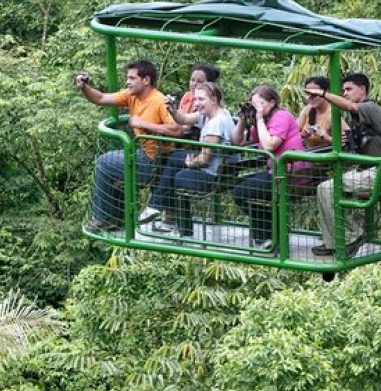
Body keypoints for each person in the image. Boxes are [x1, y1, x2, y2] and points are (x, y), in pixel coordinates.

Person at [77, 60, 182, 231]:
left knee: (104, 162)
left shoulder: (159, 101)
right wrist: (84, 87)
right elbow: (102, 98)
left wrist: (144, 124)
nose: (128, 82)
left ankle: (103, 218)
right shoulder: (132, 95)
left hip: (154, 160)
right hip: (142, 153)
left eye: (132, 78)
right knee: (110, 164)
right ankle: (115, 218)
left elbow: (176, 129)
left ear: (146, 80)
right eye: (128, 78)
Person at [305, 73, 381, 257]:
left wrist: (322, 93)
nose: (345, 93)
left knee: (326, 188)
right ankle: (334, 242)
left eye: (349, 89)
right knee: (327, 187)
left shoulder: (369, 108)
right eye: (343, 90)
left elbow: (349, 105)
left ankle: (352, 236)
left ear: (362, 89)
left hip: (380, 172)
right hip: (371, 170)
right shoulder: (358, 118)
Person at [231, 84, 309, 249]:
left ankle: (268, 234)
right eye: (254, 105)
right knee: (238, 187)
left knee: (242, 191)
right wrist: (242, 120)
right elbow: (238, 141)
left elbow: (270, 144)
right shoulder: (264, 121)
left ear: (272, 102)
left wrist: (258, 119)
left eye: (261, 104)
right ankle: (268, 235)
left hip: (291, 174)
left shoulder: (282, 116)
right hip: (278, 172)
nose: (258, 109)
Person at [154, 81, 235, 236]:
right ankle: (157, 206)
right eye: (195, 99)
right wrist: (172, 110)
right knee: (175, 157)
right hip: (219, 169)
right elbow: (183, 119)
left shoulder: (215, 123)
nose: (197, 103)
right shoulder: (213, 114)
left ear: (214, 100)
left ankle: (183, 229)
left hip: (214, 175)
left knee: (179, 177)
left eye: (201, 99)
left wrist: (191, 163)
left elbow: (205, 159)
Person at [296, 75, 347, 149]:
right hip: (310, 156)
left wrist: (326, 137)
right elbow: (293, 133)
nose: (310, 98)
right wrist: (303, 135)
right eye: (308, 94)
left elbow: (348, 141)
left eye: (314, 94)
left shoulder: (332, 114)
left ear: (325, 93)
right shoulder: (307, 110)